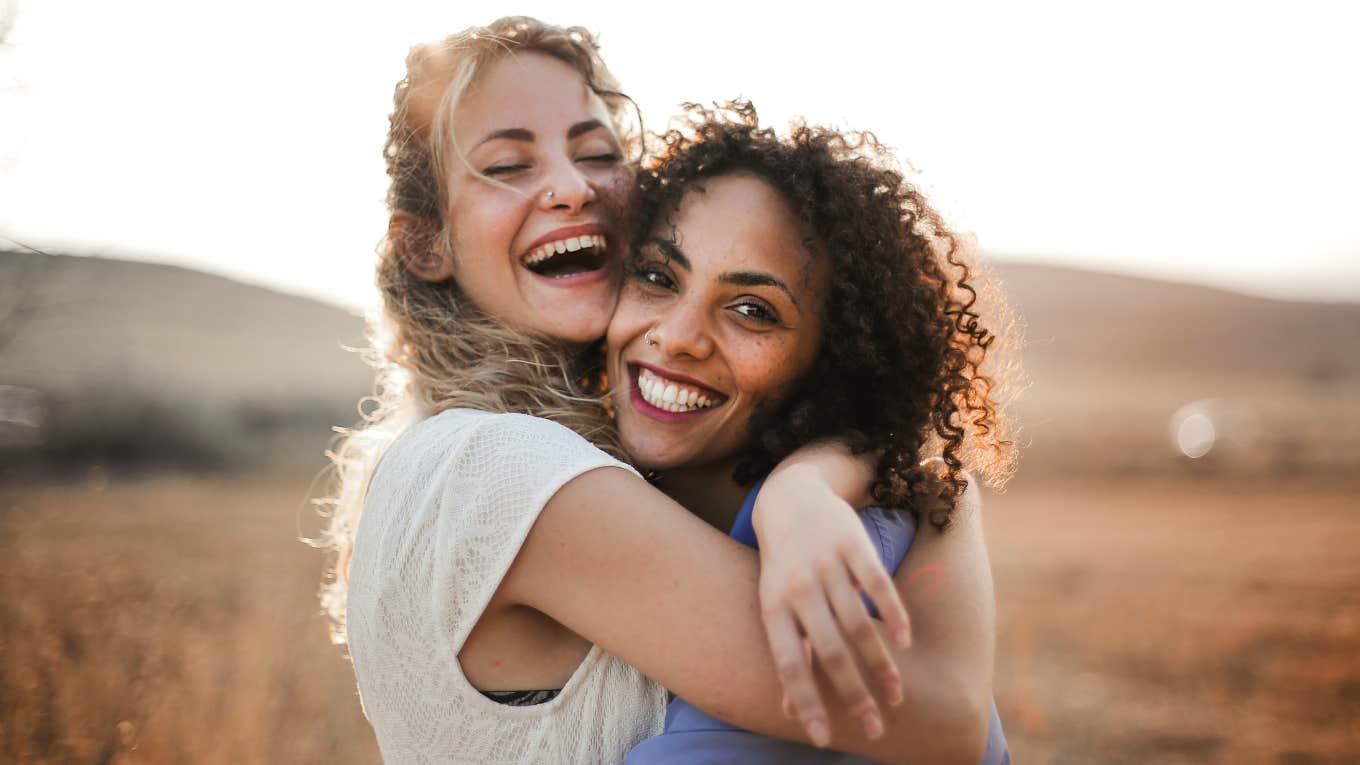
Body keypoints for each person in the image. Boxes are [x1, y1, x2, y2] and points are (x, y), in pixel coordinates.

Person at [318, 16, 1009, 764]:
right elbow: (939, 715)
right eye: (509, 165)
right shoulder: (502, 467)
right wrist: (945, 498)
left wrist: (815, 479)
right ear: (425, 242)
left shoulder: (483, 453)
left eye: (596, 153)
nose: (570, 186)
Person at [605, 103, 1014, 763]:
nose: (677, 337)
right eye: (657, 276)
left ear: (832, 362)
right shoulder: (775, 503)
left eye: (751, 310)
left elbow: (949, 723)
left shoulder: (829, 569)